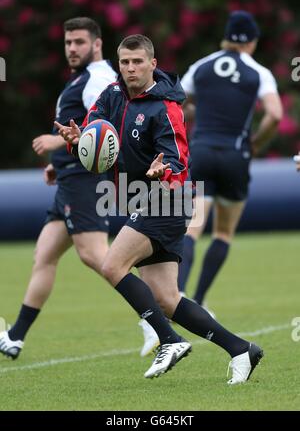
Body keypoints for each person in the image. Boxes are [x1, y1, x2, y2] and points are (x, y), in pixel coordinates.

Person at [55, 34, 264, 384]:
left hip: (168, 198)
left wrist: (163, 168)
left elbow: (179, 158)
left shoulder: (165, 107)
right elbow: (97, 141)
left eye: (138, 62)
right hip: (140, 198)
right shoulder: (111, 96)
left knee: (111, 264)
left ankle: (169, 340)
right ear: (118, 65)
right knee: (167, 298)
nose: (130, 68)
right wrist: (80, 143)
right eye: (124, 62)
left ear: (153, 64)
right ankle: (241, 349)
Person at [0, 17, 117, 359]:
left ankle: (156, 318)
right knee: (45, 255)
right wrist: (60, 161)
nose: (72, 48)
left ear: (96, 43)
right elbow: (83, 131)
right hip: (70, 176)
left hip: (85, 181)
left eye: (79, 42)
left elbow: (105, 126)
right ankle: (15, 337)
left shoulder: (99, 77)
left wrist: (56, 142)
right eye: (68, 43)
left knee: (97, 256)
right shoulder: (80, 78)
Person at [178, 11, 283, 309]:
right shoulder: (258, 71)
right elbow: (274, 114)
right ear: (252, 42)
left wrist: (199, 113)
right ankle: (198, 300)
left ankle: (178, 296)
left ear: (225, 36)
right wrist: (257, 143)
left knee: (192, 228)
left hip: (201, 151)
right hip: (235, 155)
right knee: (223, 232)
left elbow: (176, 104)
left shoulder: (201, 66)